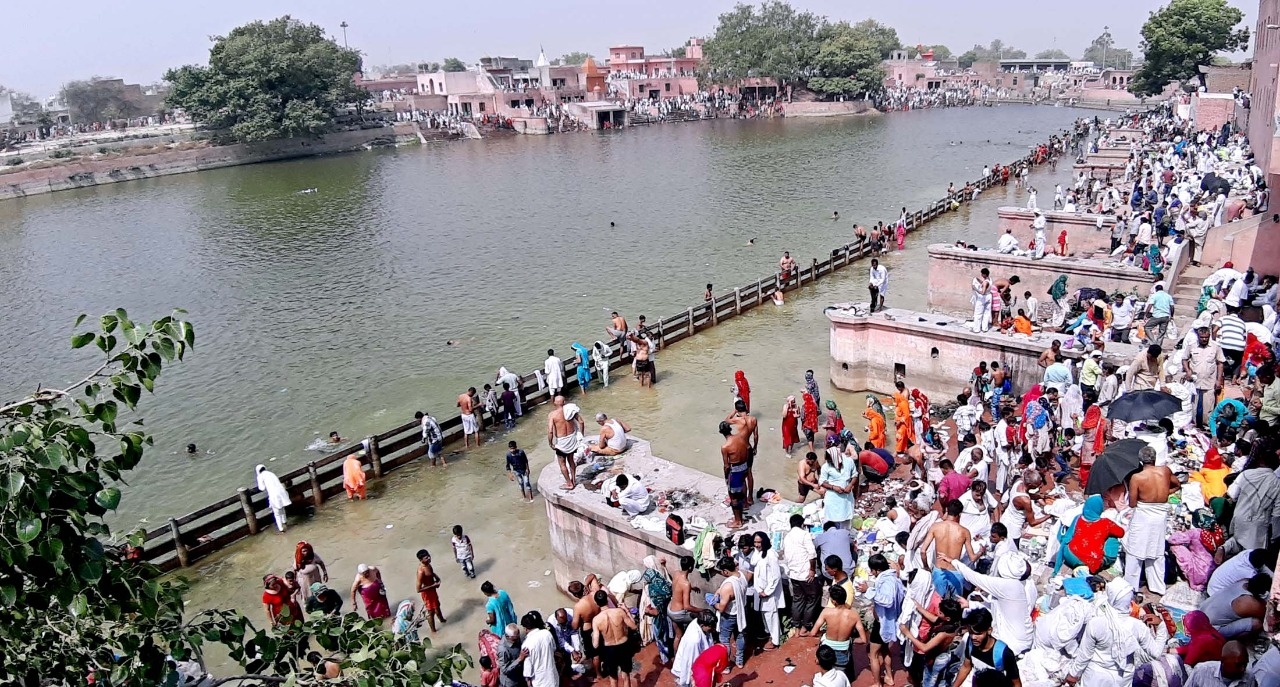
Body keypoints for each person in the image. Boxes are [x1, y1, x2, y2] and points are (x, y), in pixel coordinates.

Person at [1065, 577, 1164, 687]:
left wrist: (1074, 674)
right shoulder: (1138, 626)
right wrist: (1161, 626)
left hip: (1095, 677)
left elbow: (1084, 655)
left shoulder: (1096, 623)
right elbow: (1156, 653)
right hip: (1122, 679)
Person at [949, 552, 1036, 655]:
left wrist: (953, 561)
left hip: (1013, 641)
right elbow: (995, 608)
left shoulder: (1007, 585)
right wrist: (970, 604)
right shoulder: (1017, 585)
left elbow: (975, 577)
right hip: (1016, 636)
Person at [1122, 447, 1179, 595]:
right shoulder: (1165, 471)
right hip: (1160, 516)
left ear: (1141, 460)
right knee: (1156, 550)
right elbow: (1177, 485)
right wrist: (1165, 493)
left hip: (1143, 515)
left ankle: (1131, 586)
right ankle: (1157, 587)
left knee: (1135, 551)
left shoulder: (1137, 477)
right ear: (1154, 458)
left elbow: (1132, 503)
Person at [800, 584, 867, 679]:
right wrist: (850, 640)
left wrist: (823, 635)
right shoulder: (854, 614)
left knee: (827, 677)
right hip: (843, 652)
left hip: (826, 651)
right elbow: (863, 640)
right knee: (841, 676)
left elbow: (813, 633)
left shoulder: (826, 612)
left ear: (833, 601)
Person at [858, 554, 903, 687]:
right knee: (884, 650)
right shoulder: (892, 578)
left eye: (871, 570)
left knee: (873, 655)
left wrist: (868, 591)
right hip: (886, 622)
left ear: (876, 569)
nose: (871, 573)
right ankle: (889, 676)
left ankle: (877, 683)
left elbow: (887, 601)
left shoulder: (887, 581)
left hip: (882, 623)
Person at [900, 596, 963, 687]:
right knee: (940, 680)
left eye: (940, 612)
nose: (938, 613)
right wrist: (919, 608)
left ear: (948, 618)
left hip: (937, 659)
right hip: (945, 655)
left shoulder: (943, 634)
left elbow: (924, 648)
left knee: (929, 681)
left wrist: (907, 633)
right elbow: (934, 619)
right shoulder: (954, 624)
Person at [1054, 495, 1125, 574]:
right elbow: (1121, 533)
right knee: (1112, 537)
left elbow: (1068, 536)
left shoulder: (1078, 518)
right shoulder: (1106, 523)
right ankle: (1106, 560)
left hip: (1069, 554)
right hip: (1088, 560)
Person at [920, 500, 977, 598]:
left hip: (939, 571)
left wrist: (926, 567)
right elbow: (972, 558)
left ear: (947, 510)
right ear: (959, 514)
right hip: (955, 572)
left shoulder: (935, 527)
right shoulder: (964, 531)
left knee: (938, 603)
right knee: (956, 605)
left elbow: (923, 551)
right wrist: (981, 552)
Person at [952, 608, 1021, 687]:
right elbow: (966, 667)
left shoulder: (1004, 653)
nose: (973, 637)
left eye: (978, 634)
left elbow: (1016, 683)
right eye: (971, 633)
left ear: (989, 630)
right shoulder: (971, 643)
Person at [1199, 573, 1270, 639]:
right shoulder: (1248, 602)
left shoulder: (1244, 581)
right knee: (1257, 624)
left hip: (1201, 612)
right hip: (1211, 628)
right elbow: (1266, 614)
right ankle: (1227, 640)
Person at [782, 513, 820, 633]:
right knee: (812, 598)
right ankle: (806, 625)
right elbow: (812, 554)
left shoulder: (787, 537)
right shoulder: (804, 534)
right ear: (802, 524)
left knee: (798, 599)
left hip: (793, 574)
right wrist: (812, 570)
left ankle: (796, 626)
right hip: (805, 574)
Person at [591, 590, 637, 687]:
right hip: (624, 646)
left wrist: (593, 636)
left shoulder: (596, 620)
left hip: (609, 650)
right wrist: (627, 611)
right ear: (607, 600)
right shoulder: (620, 612)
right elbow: (634, 627)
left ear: (596, 602)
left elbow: (595, 644)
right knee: (626, 675)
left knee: (613, 678)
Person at [1185, 325, 1226, 428]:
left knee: (1208, 406)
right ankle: (1195, 424)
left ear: (1209, 336)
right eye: (1202, 337)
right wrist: (1188, 371)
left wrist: (1219, 380)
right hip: (1194, 382)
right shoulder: (1192, 346)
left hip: (1209, 381)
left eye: (1206, 337)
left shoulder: (1216, 347)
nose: (1204, 339)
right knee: (1193, 406)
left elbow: (1220, 363)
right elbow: (1184, 359)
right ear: (1198, 336)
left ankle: (1207, 425)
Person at [713, 556, 748, 669]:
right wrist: (719, 592)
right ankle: (739, 661)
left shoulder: (728, 586)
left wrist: (712, 602)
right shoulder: (742, 575)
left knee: (724, 640)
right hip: (741, 611)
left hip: (729, 615)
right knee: (740, 635)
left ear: (726, 571)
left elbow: (722, 608)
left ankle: (725, 666)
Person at [547, 397, 584, 491]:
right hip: (571, 439)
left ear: (555, 403)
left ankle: (569, 483)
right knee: (571, 460)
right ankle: (574, 480)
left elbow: (550, 431)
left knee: (562, 463)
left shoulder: (552, 415)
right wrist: (581, 434)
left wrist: (550, 443)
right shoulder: (571, 410)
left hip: (562, 441)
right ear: (564, 402)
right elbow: (581, 422)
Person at [720, 421, 751, 529]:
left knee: (734, 498)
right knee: (741, 494)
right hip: (744, 467)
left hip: (735, 472)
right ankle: (740, 517)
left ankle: (738, 521)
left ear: (721, 433)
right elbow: (748, 449)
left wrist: (726, 477)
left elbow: (726, 465)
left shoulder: (725, 447)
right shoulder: (740, 438)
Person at [1184, 640, 1254, 687]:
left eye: (1245, 664)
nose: (1243, 669)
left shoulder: (1249, 678)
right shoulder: (1202, 671)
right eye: (1238, 665)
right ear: (1223, 661)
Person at [673, 611, 715, 687]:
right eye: (710, 626)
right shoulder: (694, 639)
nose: (713, 628)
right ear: (702, 625)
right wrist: (693, 680)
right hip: (687, 672)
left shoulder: (697, 621)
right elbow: (691, 663)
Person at [1208, 549, 1273, 596]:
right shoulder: (1248, 573)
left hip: (1214, 582)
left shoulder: (1247, 552)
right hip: (1215, 592)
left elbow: (1263, 568)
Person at [520, 612, 559, 687]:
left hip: (539, 681)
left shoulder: (526, 644)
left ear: (525, 628)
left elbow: (528, 666)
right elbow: (554, 648)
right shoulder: (547, 633)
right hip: (552, 678)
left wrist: (528, 681)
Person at [254, 465, 291, 533]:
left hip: (274, 495)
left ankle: (281, 529)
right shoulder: (271, 473)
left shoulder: (260, 476)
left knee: (277, 513)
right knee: (282, 509)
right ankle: (285, 523)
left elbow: (262, 488)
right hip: (281, 492)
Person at [972, 268, 993, 333]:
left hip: (983, 298)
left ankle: (976, 329)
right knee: (986, 313)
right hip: (989, 296)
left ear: (984, 274)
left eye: (982, 274)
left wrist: (975, 288)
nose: (981, 275)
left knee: (978, 313)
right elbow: (984, 284)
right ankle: (984, 328)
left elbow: (983, 292)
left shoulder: (986, 282)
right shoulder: (990, 280)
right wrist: (978, 280)